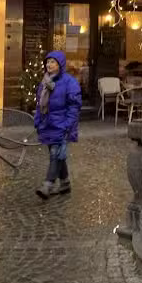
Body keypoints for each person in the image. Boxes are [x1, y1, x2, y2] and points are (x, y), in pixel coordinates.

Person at [35, 51, 82, 199]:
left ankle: (48, 184)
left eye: (53, 62)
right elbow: (39, 104)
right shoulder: (44, 82)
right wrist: (38, 120)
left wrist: (68, 124)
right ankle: (65, 183)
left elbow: (74, 106)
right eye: (47, 62)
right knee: (58, 155)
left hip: (62, 125)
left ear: (60, 65)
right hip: (48, 124)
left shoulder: (70, 82)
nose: (49, 65)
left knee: (56, 154)